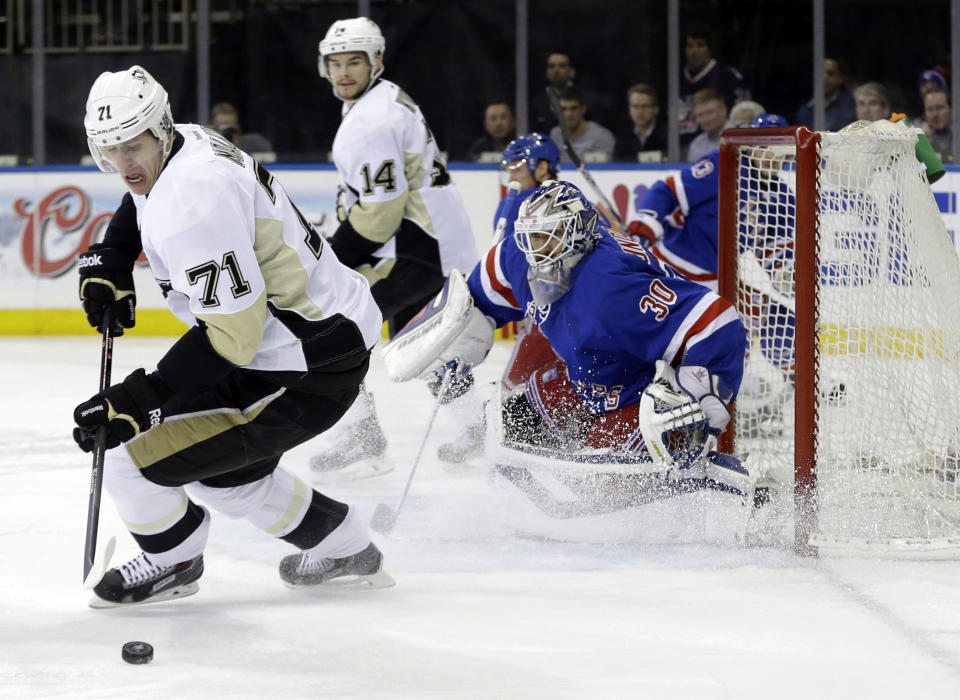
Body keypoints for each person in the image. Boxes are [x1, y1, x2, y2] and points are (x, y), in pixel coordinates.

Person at [73, 65, 393, 607]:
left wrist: (144, 398)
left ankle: (173, 557)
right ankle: (344, 546)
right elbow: (139, 197)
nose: (123, 162)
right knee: (224, 475)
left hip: (301, 365)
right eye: (109, 149)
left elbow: (234, 337)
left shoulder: (193, 201)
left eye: (133, 145)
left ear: (160, 128)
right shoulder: (186, 140)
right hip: (314, 340)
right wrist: (115, 254)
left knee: (127, 449)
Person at [385, 181, 750, 503]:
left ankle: (711, 490)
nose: (533, 249)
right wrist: (458, 346)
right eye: (529, 236)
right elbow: (476, 299)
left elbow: (717, 323)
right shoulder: (516, 256)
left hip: (638, 391)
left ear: (578, 235)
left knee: (596, 487)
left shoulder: (610, 286)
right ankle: (528, 510)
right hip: (587, 375)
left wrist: (701, 396)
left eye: (545, 236)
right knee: (512, 429)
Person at [308, 17, 478, 474]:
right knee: (417, 342)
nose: (344, 73)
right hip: (433, 242)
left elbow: (380, 214)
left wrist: (329, 260)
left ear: (376, 62)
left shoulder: (371, 119)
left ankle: (363, 437)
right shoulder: (381, 100)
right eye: (335, 64)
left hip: (411, 247)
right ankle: (476, 430)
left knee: (331, 332)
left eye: (354, 63)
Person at [437, 132, 562, 463]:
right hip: (536, 314)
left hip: (555, 315)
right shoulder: (513, 202)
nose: (511, 174)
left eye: (519, 165)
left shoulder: (559, 201)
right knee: (526, 387)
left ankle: (504, 447)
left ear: (543, 165)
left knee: (514, 389)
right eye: (508, 166)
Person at [679, 23, 750, 142]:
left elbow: (744, 116)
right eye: (690, 46)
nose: (695, 51)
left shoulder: (728, 76)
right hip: (683, 149)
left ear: (710, 48)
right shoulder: (675, 78)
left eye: (700, 45)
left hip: (722, 143)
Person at [549, 86, 615, 163]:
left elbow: (606, 170)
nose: (569, 114)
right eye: (563, 109)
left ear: (583, 109)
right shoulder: (555, 134)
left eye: (574, 108)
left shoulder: (601, 136)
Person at [794, 58, 857, 132]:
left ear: (840, 78)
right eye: (819, 73)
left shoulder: (852, 106)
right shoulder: (804, 111)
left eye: (830, 73)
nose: (824, 77)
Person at [614, 84, 667, 161]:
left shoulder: (667, 137)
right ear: (629, 110)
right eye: (635, 106)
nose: (640, 112)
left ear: (656, 109)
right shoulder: (623, 139)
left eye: (645, 106)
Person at [208, 101, 274, 154]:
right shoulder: (205, 141)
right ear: (212, 126)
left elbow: (269, 158)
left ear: (237, 125)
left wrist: (237, 143)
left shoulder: (254, 141)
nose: (226, 131)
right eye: (222, 126)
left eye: (230, 126)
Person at [686, 89, 732, 162]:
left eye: (709, 113)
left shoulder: (741, 136)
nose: (705, 119)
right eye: (700, 115)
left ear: (723, 110)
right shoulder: (696, 144)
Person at [921, 86, 952, 161]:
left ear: (951, 109)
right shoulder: (918, 138)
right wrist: (924, 142)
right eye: (930, 109)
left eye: (939, 107)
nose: (935, 114)